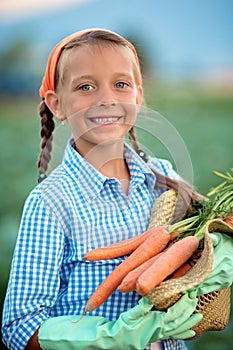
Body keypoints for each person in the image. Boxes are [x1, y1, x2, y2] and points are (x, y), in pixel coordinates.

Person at [2, 28, 233, 350]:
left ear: (138, 96)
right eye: (85, 87)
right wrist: (113, 337)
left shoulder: (163, 177)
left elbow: (210, 239)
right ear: (57, 105)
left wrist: (219, 254)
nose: (106, 99)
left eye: (120, 84)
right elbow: (19, 329)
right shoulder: (52, 202)